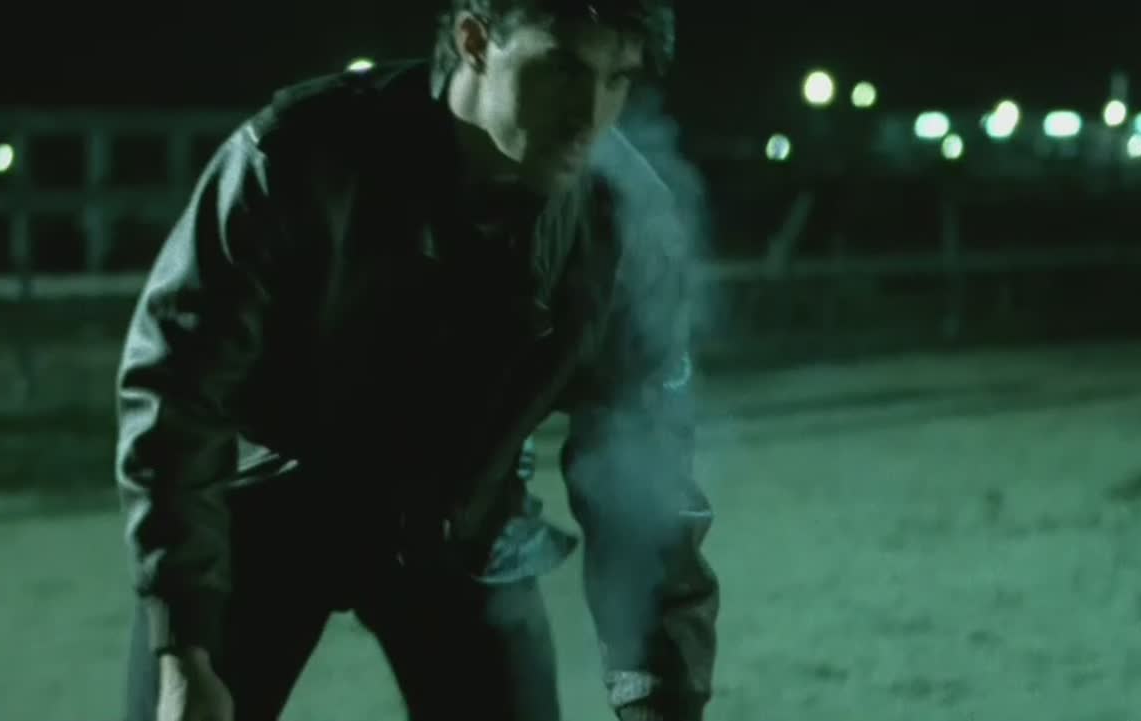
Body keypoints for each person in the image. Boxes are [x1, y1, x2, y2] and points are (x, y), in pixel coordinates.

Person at [113, 1, 719, 720]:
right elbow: (178, 391)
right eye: (561, 69)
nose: (589, 115)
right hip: (266, 511)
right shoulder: (298, 157)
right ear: (475, 40)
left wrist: (659, 697)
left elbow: (644, 475)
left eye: (617, 79)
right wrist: (183, 647)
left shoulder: (622, 224)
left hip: (465, 521)